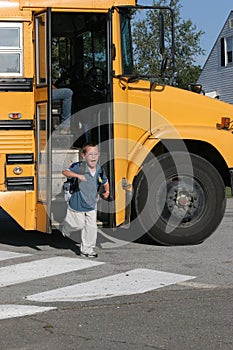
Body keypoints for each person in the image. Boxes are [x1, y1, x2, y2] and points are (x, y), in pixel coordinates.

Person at [62, 143, 109, 258]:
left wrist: (107, 191)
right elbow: (65, 172)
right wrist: (77, 176)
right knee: (77, 225)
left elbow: (105, 181)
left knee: (91, 227)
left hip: (92, 203)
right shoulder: (79, 167)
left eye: (96, 154)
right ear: (83, 156)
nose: (93, 157)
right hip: (77, 203)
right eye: (90, 154)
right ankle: (66, 228)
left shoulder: (99, 169)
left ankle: (87, 250)